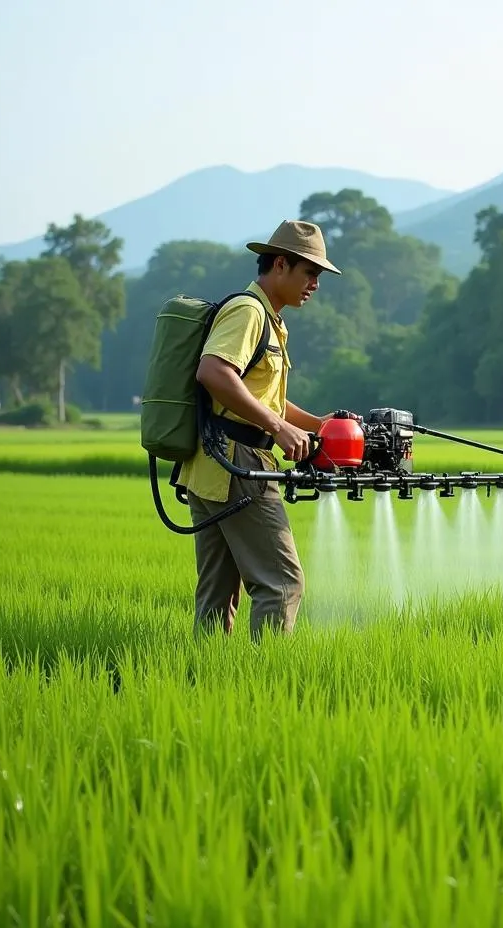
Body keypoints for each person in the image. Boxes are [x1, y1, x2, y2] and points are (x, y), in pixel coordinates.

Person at [175, 219, 342, 639]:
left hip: (213, 464)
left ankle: (205, 683)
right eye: (310, 273)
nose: (315, 285)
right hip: (239, 463)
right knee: (282, 583)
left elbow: (262, 395)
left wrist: (317, 424)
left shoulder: (270, 319)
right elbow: (214, 372)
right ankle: (265, 682)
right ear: (281, 265)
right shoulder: (249, 311)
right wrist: (278, 428)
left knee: (217, 594)